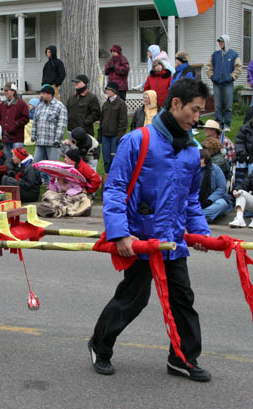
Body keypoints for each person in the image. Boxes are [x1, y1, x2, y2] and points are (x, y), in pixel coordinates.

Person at [88, 78, 212, 382]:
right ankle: (99, 346)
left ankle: (182, 358)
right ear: (176, 104)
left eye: (201, 112)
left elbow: (192, 199)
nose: (197, 118)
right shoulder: (137, 140)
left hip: (173, 242)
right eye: (194, 110)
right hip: (140, 240)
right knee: (133, 299)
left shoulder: (192, 152)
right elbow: (115, 189)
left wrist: (201, 232)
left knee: (183, 300)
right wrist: (119, 233)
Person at [31, 85, 68, 184]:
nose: (41, 95)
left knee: (53, 165)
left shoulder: (60, 106)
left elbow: (61, 124)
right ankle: (39, 181)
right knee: (37, 163)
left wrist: (57, 139)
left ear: (50, 94)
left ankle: (54, 183)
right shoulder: (39, 106)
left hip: (52, 142)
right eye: (41, 93)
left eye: (43, 93)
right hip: (40, 141)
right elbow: (35, 121)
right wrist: (33, 135)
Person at [206, 35, 242, 132]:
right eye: (219, 42)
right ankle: (218, 124)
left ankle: (227, 124)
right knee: (217, 106)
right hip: (217, 84)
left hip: (228, 84)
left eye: (222, 41)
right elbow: (209, 67)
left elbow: (238, 67)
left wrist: (231, 77)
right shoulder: (215, 55)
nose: (220, 43)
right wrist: (212, 76)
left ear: (226, 42)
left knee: (228, 106)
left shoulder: (233, 54)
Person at [98, 81, 127, 181]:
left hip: (115, 136)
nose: (107, 91)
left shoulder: (121, 104)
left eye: (109, 89)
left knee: (114, 159)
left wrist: (119, 136)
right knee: (106, 159)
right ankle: (107, 178)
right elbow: (102, 120)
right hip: (105, 135)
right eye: (107, 89)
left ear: (115, 91)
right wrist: (100, 134)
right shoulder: (106, 104)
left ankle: (115, 179)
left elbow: (123, 122)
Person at [0, 82, 30, 162]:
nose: (5, 92)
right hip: (6, 136)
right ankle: (9, 173)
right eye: (4, 90)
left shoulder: (21, 104)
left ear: (13, 91)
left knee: (19, 158)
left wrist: (15, 124)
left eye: (7, 90)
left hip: (17, 137)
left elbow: (25, 118)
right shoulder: (2, 105)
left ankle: (19, 173)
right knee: (8, 159)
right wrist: (1, 125)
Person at [199, 149, 232, 222]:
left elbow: (222, 188)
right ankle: (202, 216)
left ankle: (198, 216)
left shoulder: (216, 169)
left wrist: (210, 200)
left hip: (212, 200)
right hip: (196, 201)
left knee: (222, 204)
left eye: (201, 159)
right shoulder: (191, 170)